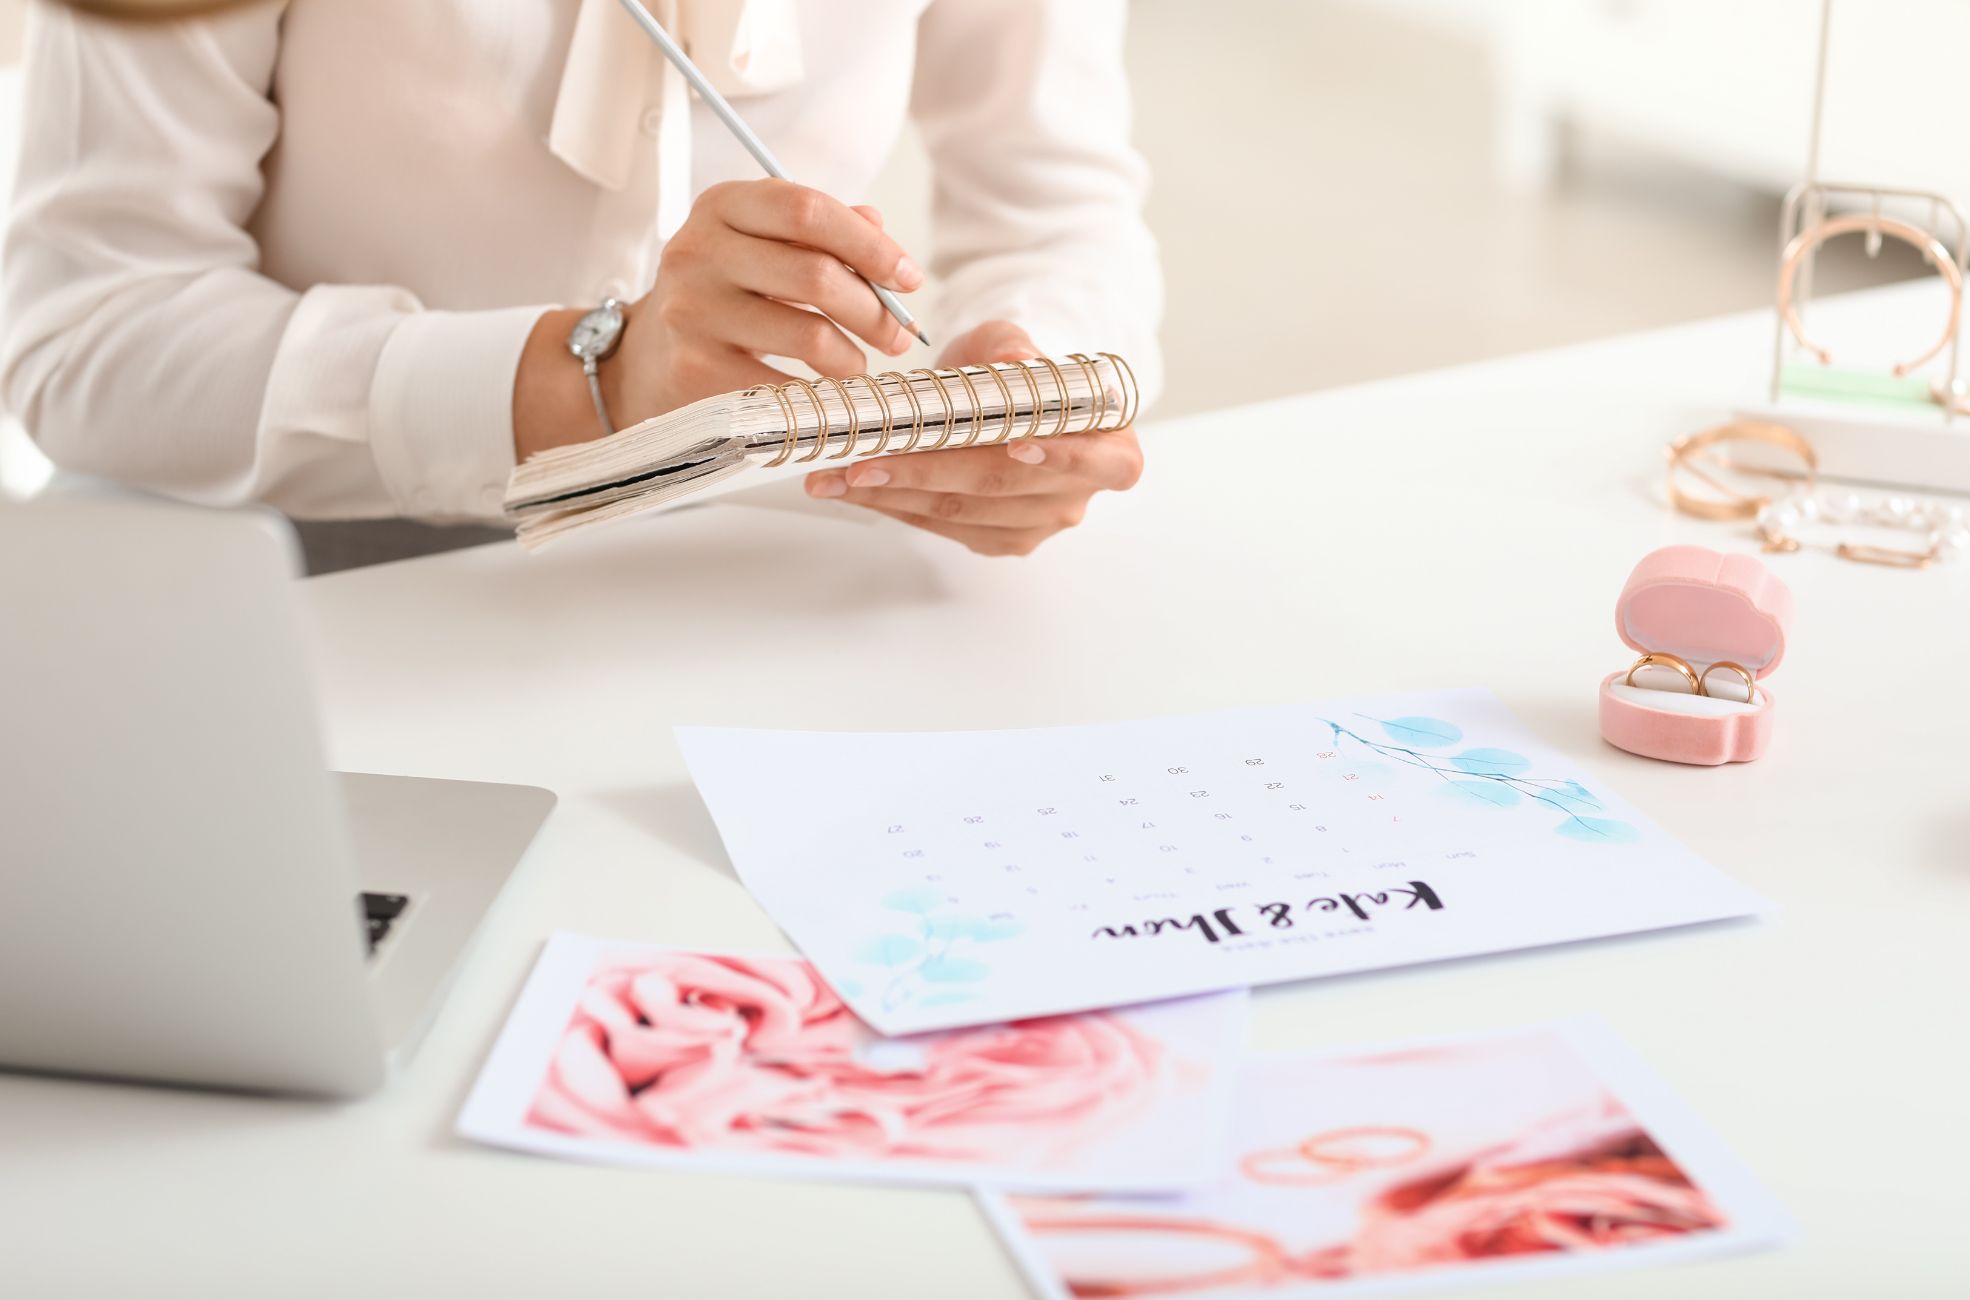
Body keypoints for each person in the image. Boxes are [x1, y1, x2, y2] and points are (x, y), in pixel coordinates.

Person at [1, 0, 1162, 567]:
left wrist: (1033, 396)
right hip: (263, 603)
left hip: (722, 591)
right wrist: (590, 384)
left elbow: (1059, 210)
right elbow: (85, 335)